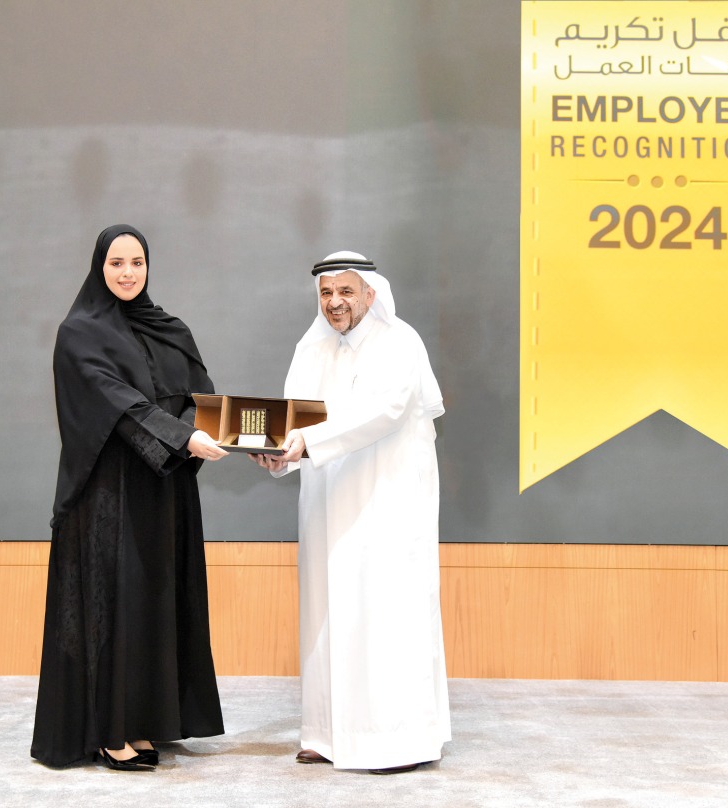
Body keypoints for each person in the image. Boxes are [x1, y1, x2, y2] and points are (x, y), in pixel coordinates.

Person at [32, 224, 227, 771]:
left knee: (152, 606)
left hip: (163, 490)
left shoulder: (168, 328)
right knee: (114, 606)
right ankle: (107, 732)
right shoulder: (79, 333)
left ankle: (143, 724)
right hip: (108, 499)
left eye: (137, 262)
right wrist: (181, 436)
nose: (127, 273)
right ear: (99, 267)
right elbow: (114, 401)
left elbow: (199, 395)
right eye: (116, 263)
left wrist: (194, 428)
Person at [250, 251, 450, 774]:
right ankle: (325, 733)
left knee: (383, 611)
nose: (335, 303)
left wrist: (303, 444)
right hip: (326, 504)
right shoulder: (312, 347)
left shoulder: (399, 342)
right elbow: (293, 423)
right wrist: (275, 456)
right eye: (326, 293)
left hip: (387, 501)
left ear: (370, 294)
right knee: (327, 612)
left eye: (345, 292)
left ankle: (394, 739)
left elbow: (382, 414)